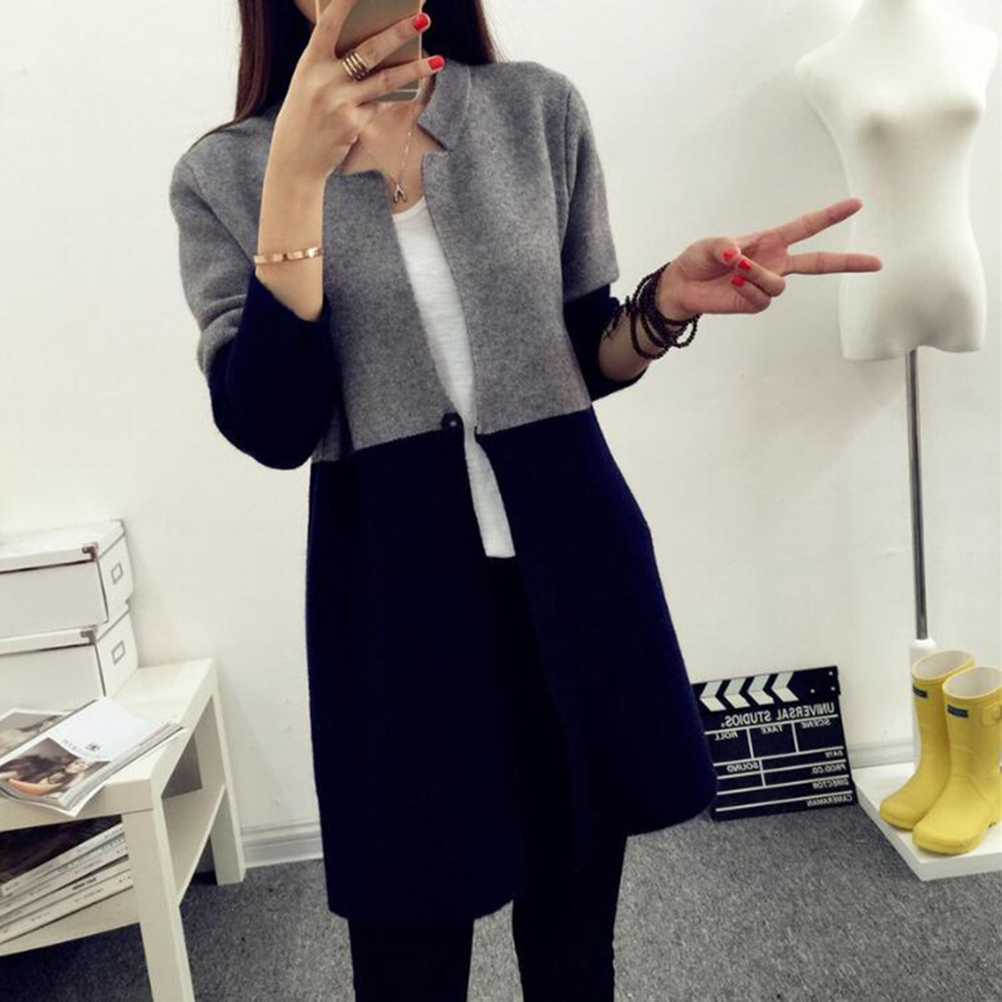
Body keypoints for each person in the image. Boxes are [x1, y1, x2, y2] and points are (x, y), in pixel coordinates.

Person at [168, 2, 883, 998]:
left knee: (574, 949)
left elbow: (583, 351)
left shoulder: (535, 111)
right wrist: (293, 175)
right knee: (408, 955)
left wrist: (662, 305)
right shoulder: (225, 173)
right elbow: (271, 426)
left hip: (570, 577)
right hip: (396, 610)